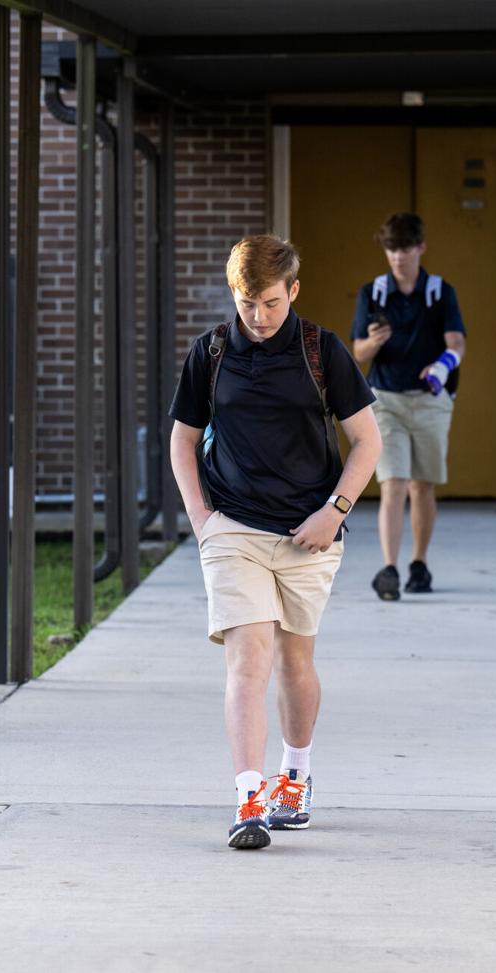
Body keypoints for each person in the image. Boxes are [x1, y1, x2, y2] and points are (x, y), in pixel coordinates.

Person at [169, 234, 381, 850]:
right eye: (245, 302)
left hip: (308, 533)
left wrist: (334, 511)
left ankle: (297, 773)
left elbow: (367, 442)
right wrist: (201, 519)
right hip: (233, 527)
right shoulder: (210, 352)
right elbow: (183, 439)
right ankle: (248, 798)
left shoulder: (322, 351)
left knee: (294, 661)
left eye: (268, 302)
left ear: (292, 290)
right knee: (249, 657)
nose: (257, 317)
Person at [350, 212, 467, 601]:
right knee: (393, 484)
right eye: (390, 249)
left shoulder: (439, 291)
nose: (397, 257)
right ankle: (390, 568)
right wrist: (374, 342)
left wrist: (442, 364)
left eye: (404, 249)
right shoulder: (374, 293)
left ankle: (419, 562)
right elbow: (359, 351)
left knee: (422, 486)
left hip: (432, 399)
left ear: (420, 248)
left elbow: (457, 343)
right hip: (385, 399)